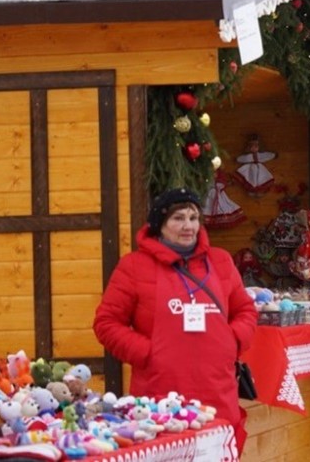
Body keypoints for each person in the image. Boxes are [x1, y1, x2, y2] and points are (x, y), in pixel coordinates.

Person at [93, 188, 258, 452]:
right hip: (160, 395)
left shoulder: (221, 261)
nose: (188, 226)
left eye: (193, 218)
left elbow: (246, 311)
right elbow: (107, 322)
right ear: (160, 225)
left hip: (217, 390)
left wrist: (232, 341)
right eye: (178, 218)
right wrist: (148, 352)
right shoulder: (134, 266)